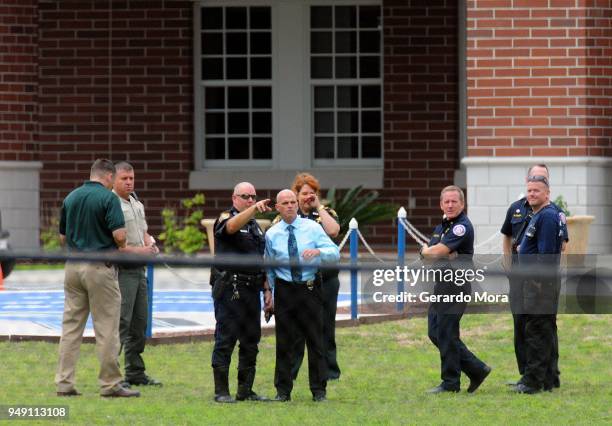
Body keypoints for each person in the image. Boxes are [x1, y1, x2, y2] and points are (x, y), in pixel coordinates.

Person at [55, 159, 139, 398]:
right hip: (100, 267)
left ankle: (64, 382)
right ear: (109, 177)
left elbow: (62, 238)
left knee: (71, 327)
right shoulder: (108, 198)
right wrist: (118, 244)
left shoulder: (70, 197)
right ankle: (110, 383)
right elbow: (120, 236)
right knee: (106, 327)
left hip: (73, 266)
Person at [265, 189, 340, 402]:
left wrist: (319, 253)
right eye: (284, 203)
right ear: (277, 208)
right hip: (285, 289)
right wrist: (269, 293)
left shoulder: (312, 228)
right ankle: (283, 391)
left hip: (309, 288)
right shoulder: (272, 234)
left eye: (292, 202)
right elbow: (269, 267)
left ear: (297, 205)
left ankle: (319, 391)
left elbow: (334, 253)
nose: (289, 206)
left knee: (315, 340)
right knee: (285, 342)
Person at [501, 164, 567, 389]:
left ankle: (533, 382)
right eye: (529, 190)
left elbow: (546, 255)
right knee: (535, 328)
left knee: (537, 330)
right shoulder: (536, 214)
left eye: (536, 191)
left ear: (547, 193)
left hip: (538, 284)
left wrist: (538, 283)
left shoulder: (548, 216)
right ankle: (544, 378)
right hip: (528, 281)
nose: (531, 194)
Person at [420, 185, 491, 394]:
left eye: (454, 201)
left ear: (462, 204)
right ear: (441, 204)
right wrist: (432, 252)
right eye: (446, 201)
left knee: (447, 333)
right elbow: (428, 256)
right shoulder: (443, 226)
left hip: (455, 286)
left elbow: (434, 252)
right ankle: (477, 369)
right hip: (441, 285)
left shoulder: (461, 227)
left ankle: (450, 383)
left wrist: (434, 251)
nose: (450, 205)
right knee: (435, 332)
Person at [210, 182, 273, 403]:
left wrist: (266, 289)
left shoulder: (255, 225)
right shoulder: (227, 217)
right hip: (230, 288)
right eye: (245, 196)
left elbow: (259, 259)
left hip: (252, 289)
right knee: (226, 338)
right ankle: (221, 392)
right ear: (234, 197)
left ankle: (245, 391)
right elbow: (230, 228)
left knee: (250, 340)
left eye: (253, 197)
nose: (249, 200)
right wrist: (252, 210)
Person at [112, 161, 161, 387]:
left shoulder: (135, 202)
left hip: (140, 270)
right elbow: (116, 245)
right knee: (122, 322)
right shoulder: (111, 204)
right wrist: (143, 250)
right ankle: (112, 375)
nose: (129, 182)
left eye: (131, 178)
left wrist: (151, 243)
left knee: (140, 323)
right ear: (113, 179)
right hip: (122, 272)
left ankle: (135, 371)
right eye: (124, 178)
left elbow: (144, 232)